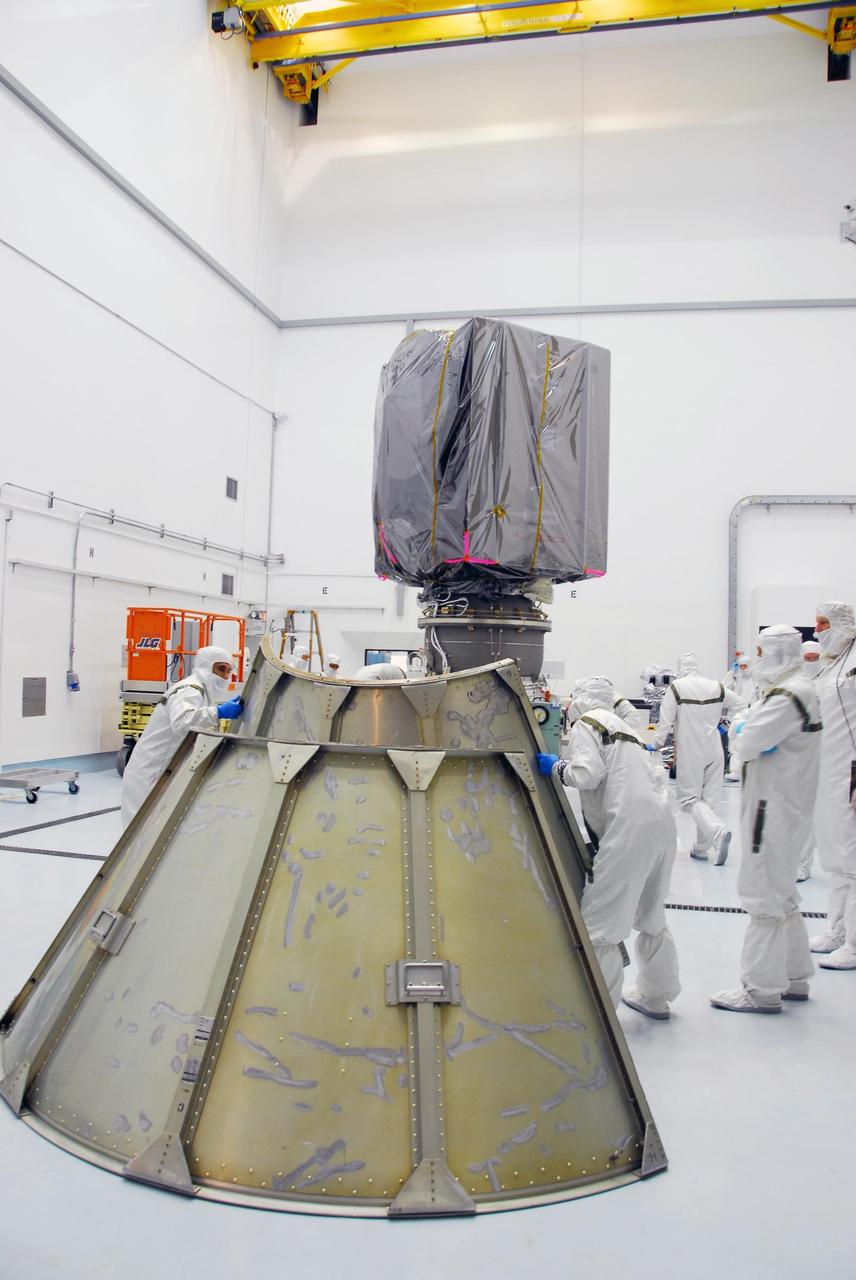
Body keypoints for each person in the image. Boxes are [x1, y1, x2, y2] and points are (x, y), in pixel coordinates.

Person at [537, 676, 680, 1020]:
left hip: (627, 830)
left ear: (583, 699)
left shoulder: (588, 723)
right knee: (651, 916)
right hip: (661, 825)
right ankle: (656, 995)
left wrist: (556, 767)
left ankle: (595, 1015)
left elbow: (587, 775)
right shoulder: (628, 728)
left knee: (601, 925)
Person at [710, 626, 821, 1013]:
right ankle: (793, 976)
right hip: (785, 805)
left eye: (760, 652)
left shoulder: (788, 695)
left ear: (774, 653)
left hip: (769, 809)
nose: (754, 659)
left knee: (762, 896)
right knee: (783, 894)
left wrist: (742, 729)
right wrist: (747, 726)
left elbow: (746, 741)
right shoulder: (796, 689)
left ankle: (761, 989)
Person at [120, 645, 242, 828]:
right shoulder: (190, 689)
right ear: (206, 666)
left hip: (159, 769)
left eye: (228, 671)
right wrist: (218, 712)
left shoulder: (199, 690)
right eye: (221, 669)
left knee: (152, 828)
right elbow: (182, 722)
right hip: (150, 771)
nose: (225, 676)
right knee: (141, 831)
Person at [649, 652, 746, 864]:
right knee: (709, 802)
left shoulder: (676, 688)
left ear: (680, 667)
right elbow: (739, 704)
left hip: (691, 750)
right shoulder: (716, 686)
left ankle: (718, 832)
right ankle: (702, 848)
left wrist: (654, 745)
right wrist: (724, 726)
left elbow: (665, 722)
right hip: (715, 749)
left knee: (689, 799)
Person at [809, 601, 856, 968]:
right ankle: (837, 928)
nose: (819, 631)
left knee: (853, 857)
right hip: (830, 768)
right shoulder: (831, 666)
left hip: (852, 770)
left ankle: (854, 943)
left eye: (825, 624)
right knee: (835, 855)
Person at [797, 641, 823, 881]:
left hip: (828, 754)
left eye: (816, 658)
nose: (812, 662)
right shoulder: (796, 685)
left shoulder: (829, 683)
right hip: (799, 755)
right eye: (809, 658)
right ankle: (800, 864)